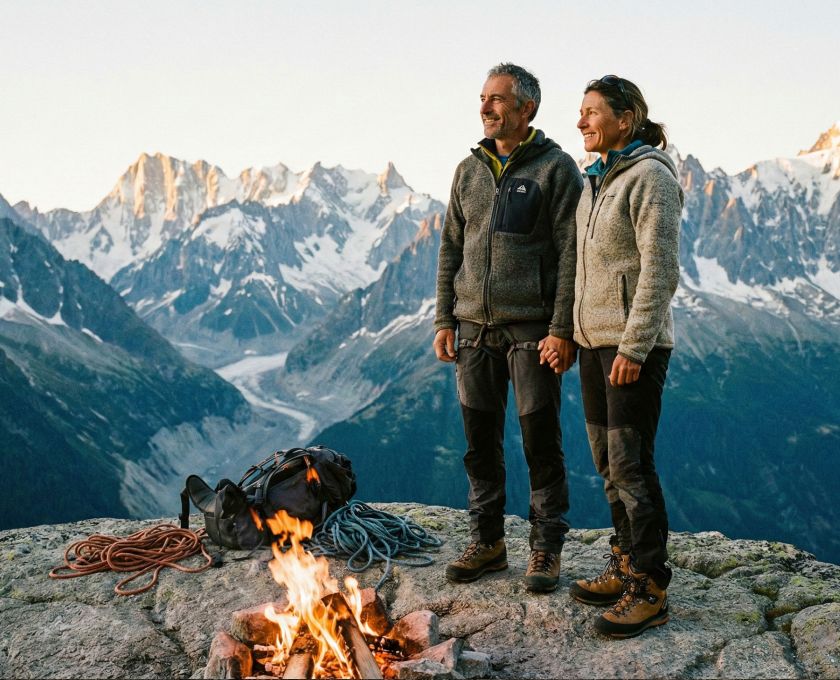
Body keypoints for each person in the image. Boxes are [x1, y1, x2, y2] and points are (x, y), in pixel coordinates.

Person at [433, 63, 583, 593]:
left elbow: (571, 253)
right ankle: (488, 541)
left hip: (532, 330)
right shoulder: (467, 170)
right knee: (479, 441)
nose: (486, 107)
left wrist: (562, 327)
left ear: (527, 110)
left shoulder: (557, 168)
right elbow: (451, 245)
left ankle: (545, 549)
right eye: (483, 98)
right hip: (473, 327)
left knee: (540, 440)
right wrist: (444, 318)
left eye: (498, 99)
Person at [560, 75, 683, 637]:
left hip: (631, 347)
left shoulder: (649, 178)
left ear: (626, 119)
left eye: (591, 112)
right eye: (580, 112)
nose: (581, 121)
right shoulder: (595, 181)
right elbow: (585, 270)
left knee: (632, 465)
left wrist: (634, 346)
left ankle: (651, 587)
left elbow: (660, 270)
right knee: (609, 465)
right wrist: (569, 331)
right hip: (592, 344)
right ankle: (627, 561)